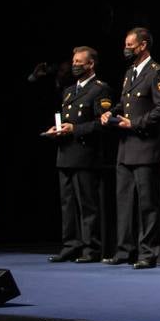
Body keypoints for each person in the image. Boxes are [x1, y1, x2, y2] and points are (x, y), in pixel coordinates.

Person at [100, 27, 160, 269]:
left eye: (130, 45)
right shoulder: (130, 72)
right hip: (125, 148)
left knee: (148, 204)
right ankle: (124, 250)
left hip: (146, 146)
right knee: (124, 202)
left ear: (143, 46)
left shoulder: (158, 73)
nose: (126, 49)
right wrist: (112, 112)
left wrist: (135, 123)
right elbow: (126, 103)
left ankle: (148, 252)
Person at [44, 46, 112, 263]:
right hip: (65, 153)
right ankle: (70, 245)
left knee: (87, 204)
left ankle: (91, 248)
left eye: (79, 62)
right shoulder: (68, 91)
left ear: (90, 64)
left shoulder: (100, 89)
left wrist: (75, 129)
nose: (74, 65)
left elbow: (102, 125)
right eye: (73, 62)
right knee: (68, 204)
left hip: (85, 155)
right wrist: (57, 131)